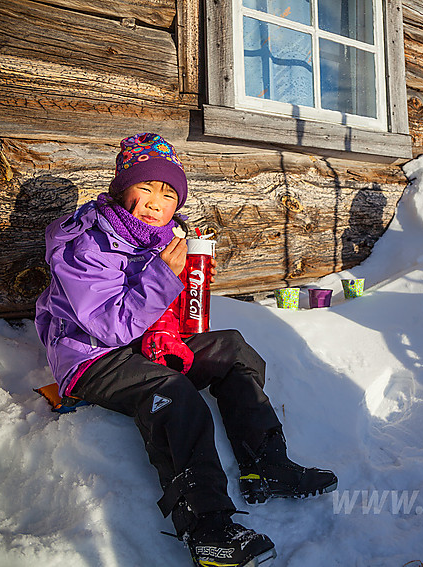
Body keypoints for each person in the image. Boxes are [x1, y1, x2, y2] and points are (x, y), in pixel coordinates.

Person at [34, 133, 337, 567]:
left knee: (233, 350)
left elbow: (173, 310)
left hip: (143, 343)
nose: (157, 202)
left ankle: (266, 466)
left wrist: (176, 322)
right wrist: (163, 275)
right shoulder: (87, 244)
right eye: (146, 187)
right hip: (91, 356)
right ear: (122, 190)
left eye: (169, 192)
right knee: (173, 393)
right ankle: (208, 529)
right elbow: (108, 326)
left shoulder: (167, 236)